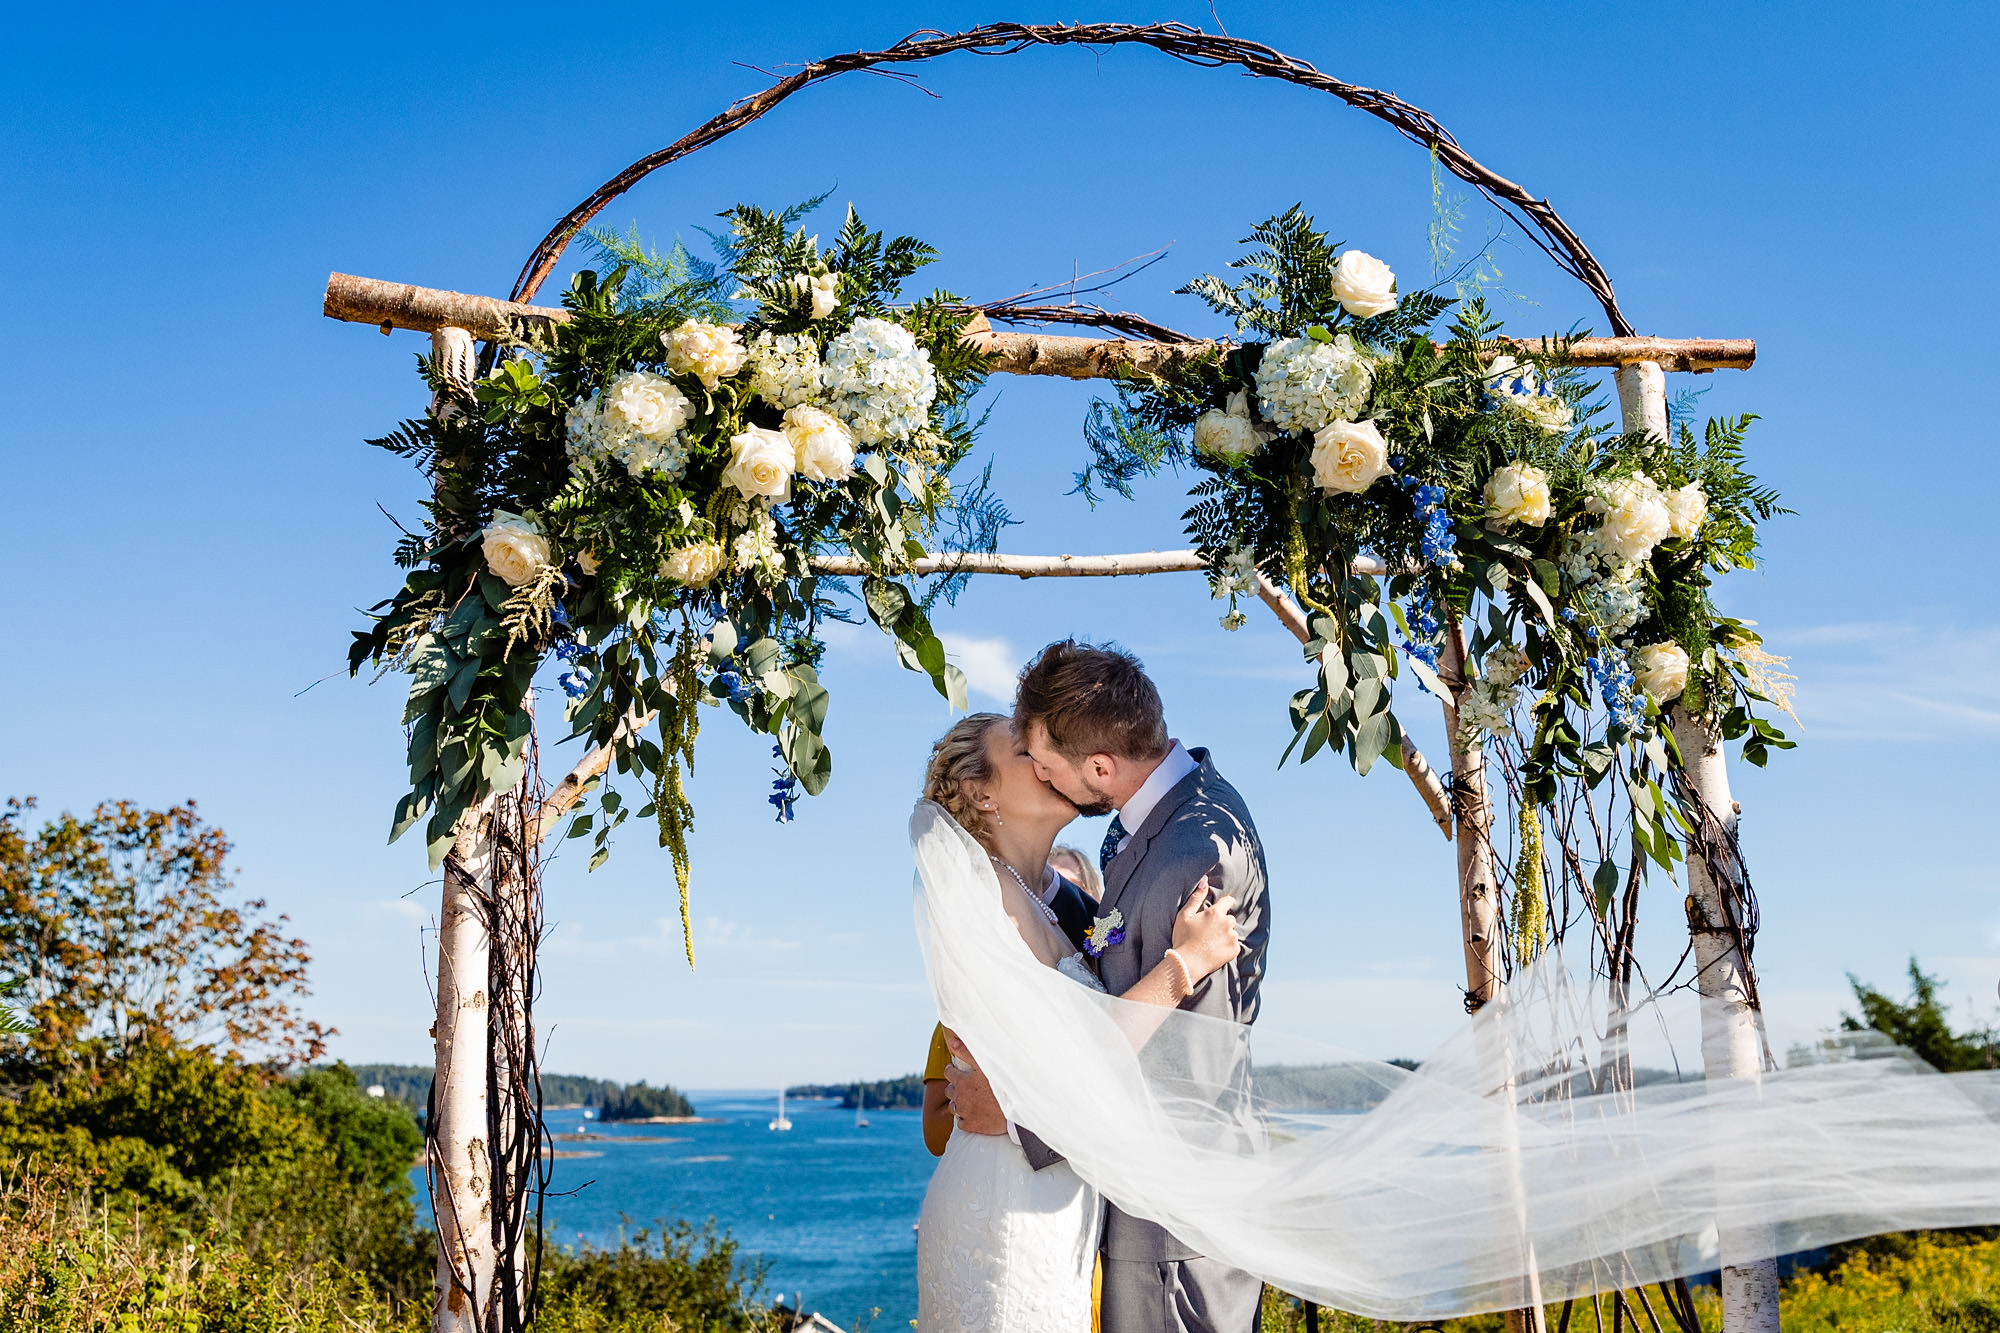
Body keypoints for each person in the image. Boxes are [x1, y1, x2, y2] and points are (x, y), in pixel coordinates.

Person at [940, 641, 1270, 1333]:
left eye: (1043, 760)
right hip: (1117, 1202)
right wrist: (1045, 889)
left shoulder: (1200, 853)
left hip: (1174, 1216)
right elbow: (1108, 952)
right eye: (1026, 760)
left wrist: (1015, 1112)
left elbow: (1165, 1068)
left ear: (1097, 766)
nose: (1041, 773)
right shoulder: (1145, 823)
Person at [922, 841, 1100, 1159]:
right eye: (1032, 894)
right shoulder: (967, 1005)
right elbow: (935, 1135)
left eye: (1066, 890)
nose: (1048, 908)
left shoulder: (1109, 983)